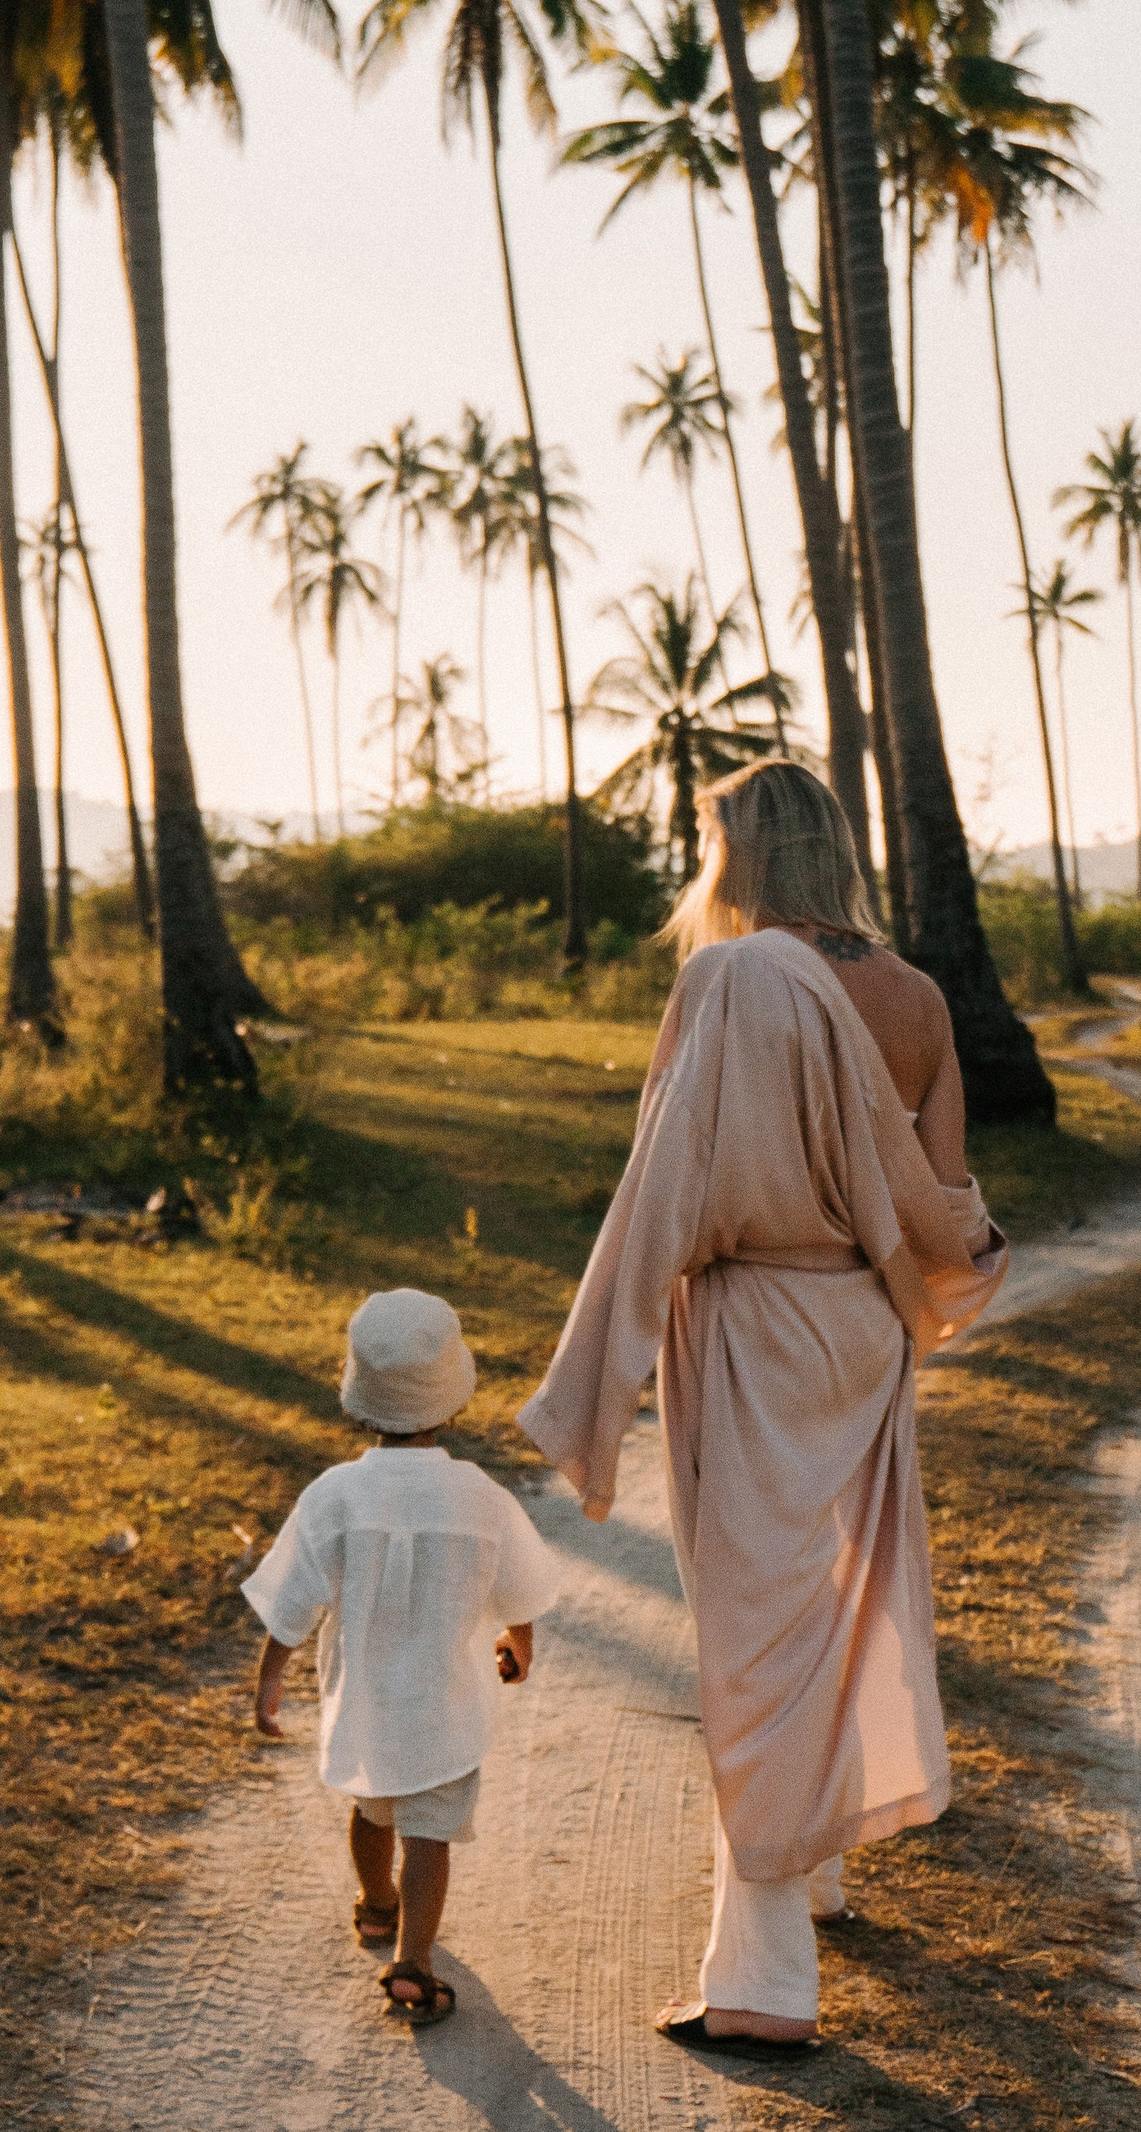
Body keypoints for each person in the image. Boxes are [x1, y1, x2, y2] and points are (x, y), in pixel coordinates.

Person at [518, 757, 1009, 2058]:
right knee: (825, 1615)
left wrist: (596, 1370)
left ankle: (764, 1982)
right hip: (861, 1331)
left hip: (754, 1331)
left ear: (738, 851)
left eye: (704, 838)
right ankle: (821, 1867)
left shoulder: (730, 979)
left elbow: (666, 1189)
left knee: (756, 1642)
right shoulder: (913, 995)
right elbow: (948, 1205)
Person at [245, 1285, 562, 2027]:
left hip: (364, 1699)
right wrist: (518, 1644)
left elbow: (293, 1599)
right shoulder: (478, 1495)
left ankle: (375, 1905)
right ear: (452, 1397)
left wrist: (269, 1682)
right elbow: (519, 1590)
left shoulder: (336, 1494)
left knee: (371, 1804)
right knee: (430, 1832)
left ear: (359, 1397)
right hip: (444, 1707)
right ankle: (414, 1961)